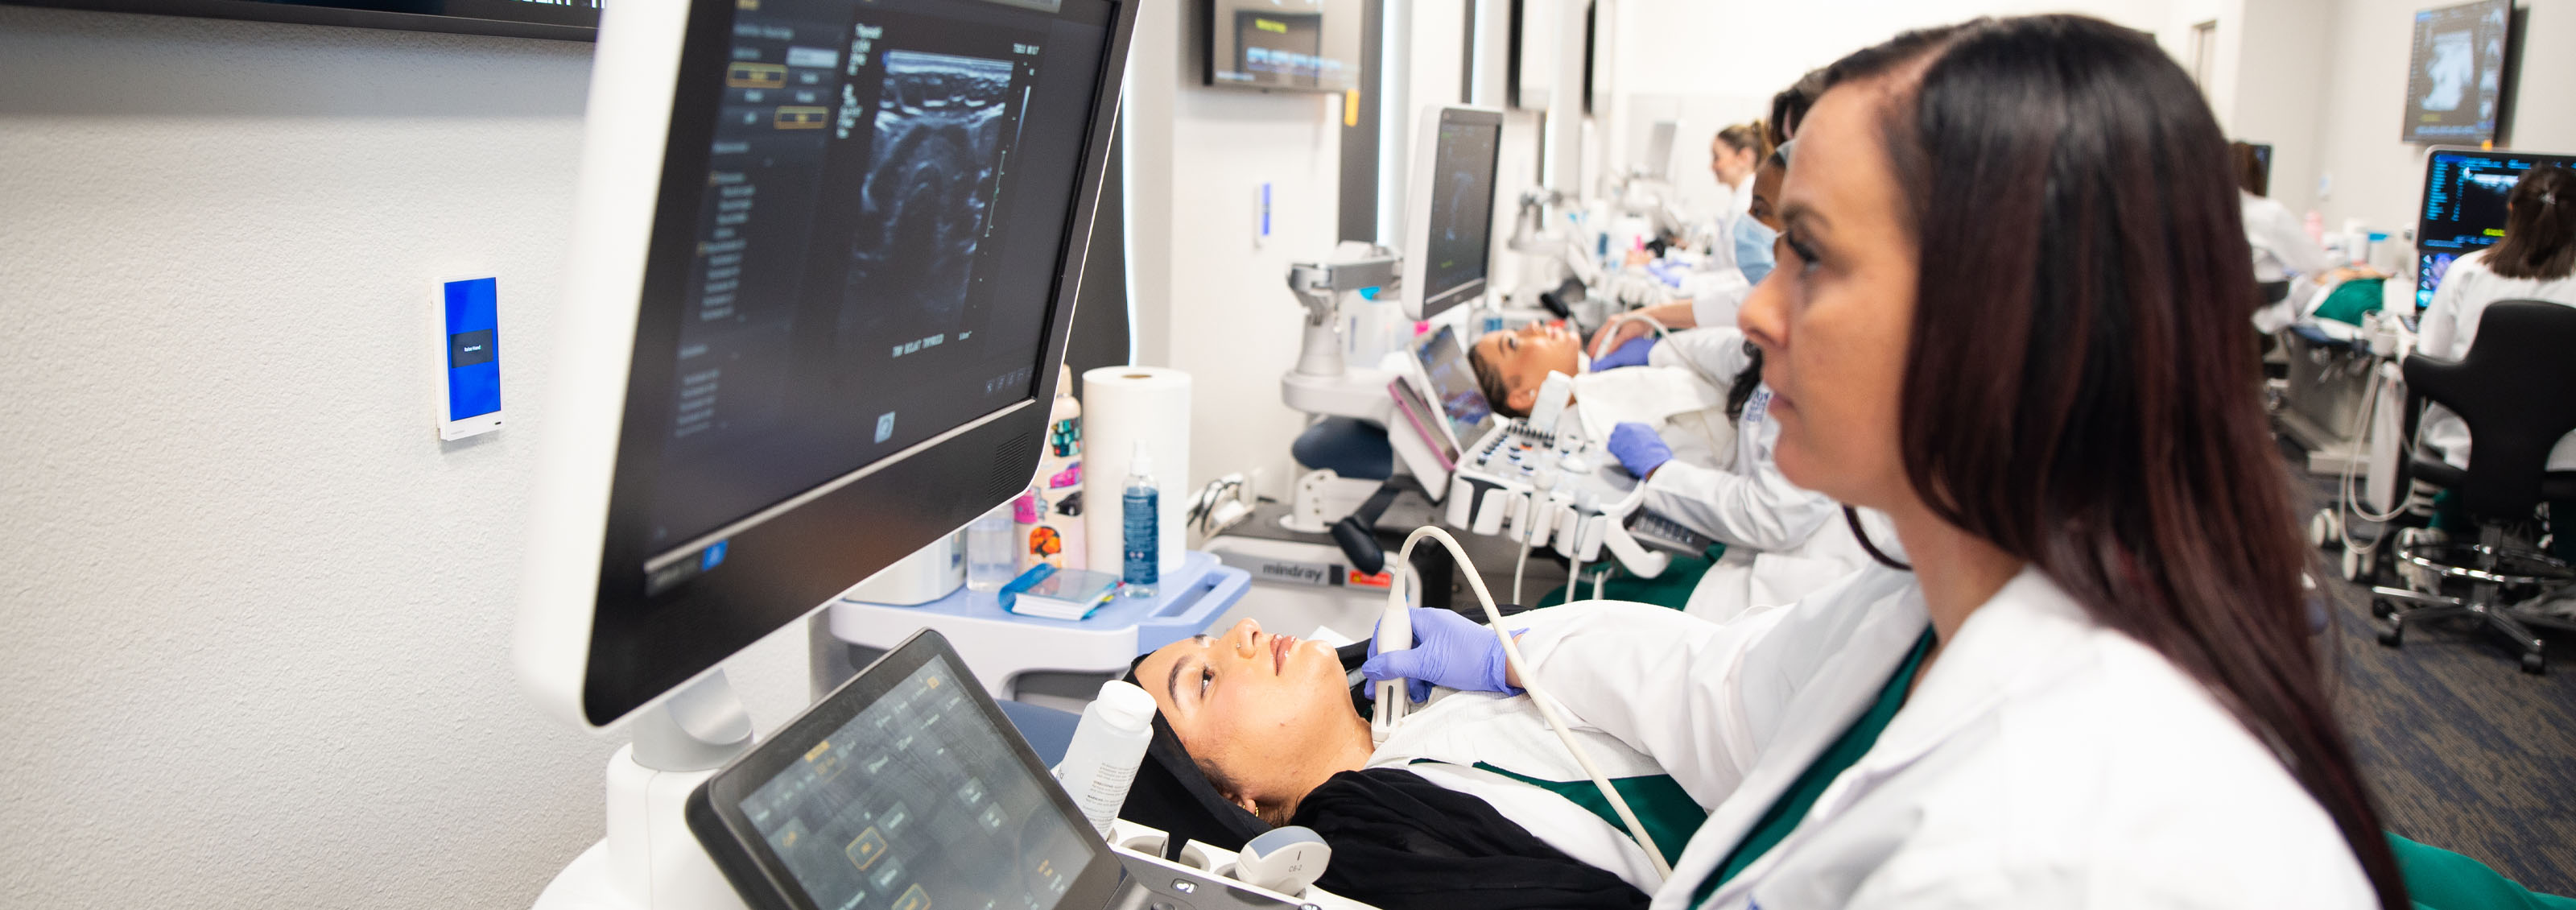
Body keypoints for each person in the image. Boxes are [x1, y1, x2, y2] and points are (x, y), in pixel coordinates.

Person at [1374, 16, 2412, 908]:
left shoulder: (2049, 848)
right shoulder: (1936, 596)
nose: (1759, 312)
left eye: (1812, 255)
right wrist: (1514, 651)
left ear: (2010, 314)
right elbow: (1731, 689)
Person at [1119, 615, 1699, 909]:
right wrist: (1520, 663)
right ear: (1230, 800)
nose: (1244, 630)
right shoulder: (1397, 839)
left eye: (1210, 640)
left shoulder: (1436, 682)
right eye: (1206, 679)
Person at [1467, 310, 1871, 619]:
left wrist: (1661, 470)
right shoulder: (1586, 423)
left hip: (1798, 571)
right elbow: (1745, 354)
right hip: (1751, 549)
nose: (1534, 325)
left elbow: (1775, 513)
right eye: (1515, 343)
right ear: (1524, 396)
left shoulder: (1824, 372)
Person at [2415, 163, 2576, 558]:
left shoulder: (2466, 272)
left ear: (2510, 210)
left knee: (2473, 429)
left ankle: (2439, 533)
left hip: (2468, 443)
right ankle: (2568, 574)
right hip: (2562, 459)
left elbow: (2430, 356)